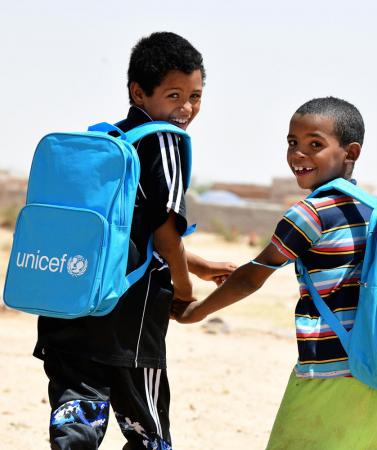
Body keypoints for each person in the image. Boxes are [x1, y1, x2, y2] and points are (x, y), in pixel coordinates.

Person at [33, 32, 236, 450]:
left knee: (78, 421)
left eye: (196, 96)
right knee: (148, 433)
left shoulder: (107, 142)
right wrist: (183, 288)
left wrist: (198, 264)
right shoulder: (165, 140)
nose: (186, 109)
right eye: (175, 95)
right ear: (138, 92)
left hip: (70, 305)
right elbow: (164, 230)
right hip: (129, 321)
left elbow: (125, 232)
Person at [175, 97, 377, 449]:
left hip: (329, 373)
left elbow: (253, 275)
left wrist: (195, 312)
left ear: (350, 152)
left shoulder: (312, 212)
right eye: (292, 143)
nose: (298, 154)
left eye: (315, 144)